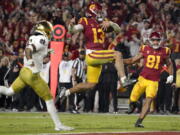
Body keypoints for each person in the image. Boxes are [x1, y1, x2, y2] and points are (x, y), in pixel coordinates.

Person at [0, 20, 73, 131]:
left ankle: (58, 125)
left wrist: (47, 51)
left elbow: (36, 50)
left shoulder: (34, 37)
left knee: (9, 91)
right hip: (31, 73)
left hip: (24, 72)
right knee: (48, 98)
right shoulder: (42, 39)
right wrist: (29, 60)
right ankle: (58, 125)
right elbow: (29, 49)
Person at [59, 2, 135, 99]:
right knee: (118, 54)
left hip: (97, 56)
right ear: (93, 11)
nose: (100, 13)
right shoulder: (85, 21)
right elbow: (73, 30)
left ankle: (66, 92)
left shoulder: (103, 22)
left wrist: (110, 23)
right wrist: (71, 24)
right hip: (93, 54)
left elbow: (118, 30)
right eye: (98, 11)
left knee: (91, 84)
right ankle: (124, 80)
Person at [124, 31, 173, 127]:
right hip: (142, 78)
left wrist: (170, 75)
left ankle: (139, 121)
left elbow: (169, 63)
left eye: (157, 40)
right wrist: (120, 60)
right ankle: (134, 104)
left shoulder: (165, 50)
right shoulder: (144, 48)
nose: (155, 42)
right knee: (132, 98)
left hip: (154, 81)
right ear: (150, 40)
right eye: (153, 40)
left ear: (160, 41)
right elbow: (133, 60)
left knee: (149, 100)